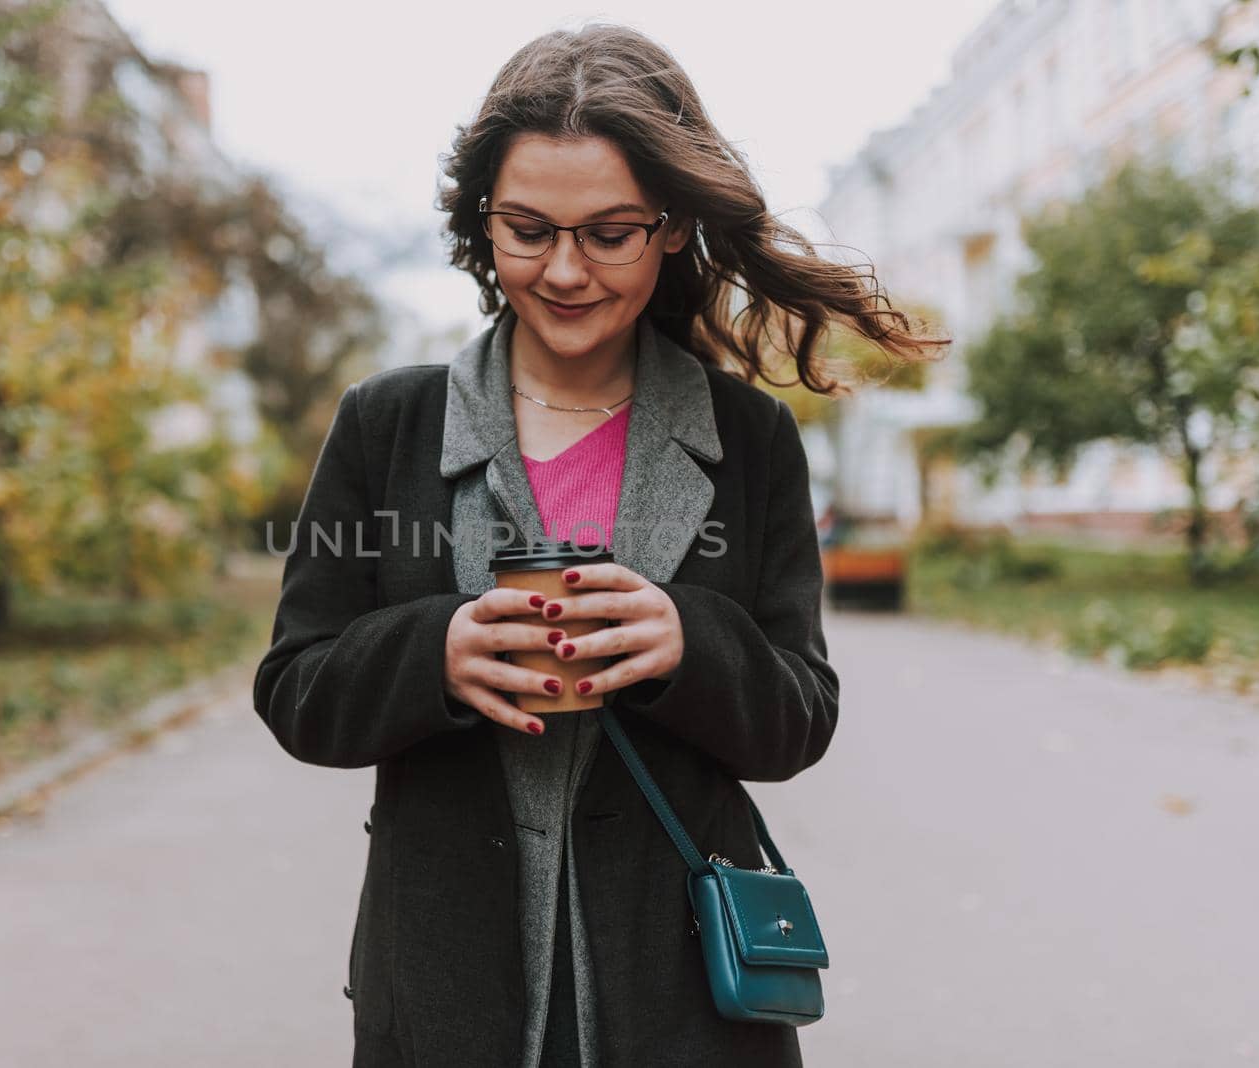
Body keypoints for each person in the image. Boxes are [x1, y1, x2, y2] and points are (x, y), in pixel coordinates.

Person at [252, 22, 948, 1067]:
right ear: (480, 224)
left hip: (683, 1005)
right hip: (446, 994)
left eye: (608, 233)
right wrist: (434, 651)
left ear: (669, 229)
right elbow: (295, 687)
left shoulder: (746, 438)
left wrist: (686, 644)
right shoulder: (385, 424)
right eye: (527, 229)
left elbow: (800, 720)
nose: (565, 271)